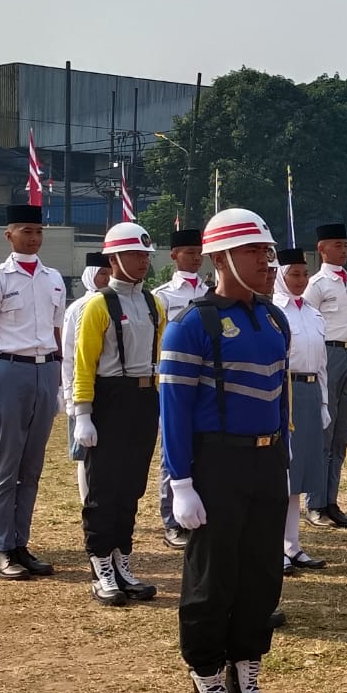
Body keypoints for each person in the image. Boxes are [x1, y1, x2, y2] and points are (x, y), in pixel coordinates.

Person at [160, 207, 295, 693]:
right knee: (211, 579)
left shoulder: (274, 318)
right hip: (215, 462)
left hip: (267, 460)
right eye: (254, 252)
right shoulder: (192, 323)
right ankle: (207, 683)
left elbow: (280, 394)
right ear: (222, 259)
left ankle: (247, 677)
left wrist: (283, 453)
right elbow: (173, 409)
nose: (267, 262)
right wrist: (181, 483)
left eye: (267, 251)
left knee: (262, 574)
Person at [71, 222, 167, 606]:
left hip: (144, 398)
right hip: (109, 397)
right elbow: (84, 364)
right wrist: (82, 414)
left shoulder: (153, 303)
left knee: (132, 486)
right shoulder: (99, 303)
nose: (142, 262)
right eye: (133, 255)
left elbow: (159, 357)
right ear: (113, 259)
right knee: (103, 488)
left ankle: (121, 557)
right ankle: (100, 563)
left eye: (145, 255)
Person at [0, 204, 66, 581]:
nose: (34, 237)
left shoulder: (54, 278)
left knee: (32, 467)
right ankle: (2, 547)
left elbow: (59, 335)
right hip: (10, 369)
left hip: (45, 371)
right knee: (7, 464)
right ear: (9, 235)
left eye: (39, 231)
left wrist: (60, 383)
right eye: (26, 230)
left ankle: (21, 543)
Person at [301, 223, 347, 532]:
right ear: (322, 249)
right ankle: (315, 503)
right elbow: (308, 324)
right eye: (337, 245)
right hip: (326, 355)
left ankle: (331, 500)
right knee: (323, 433)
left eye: (345, 244)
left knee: (341, 436)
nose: (343, 249)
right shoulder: (316, 284)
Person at [274, 247, 329, 575]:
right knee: (282, 475)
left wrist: (322, 402)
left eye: (304, 274)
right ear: (281, 275)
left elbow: (321, 363)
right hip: (286, 391)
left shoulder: (312, 313)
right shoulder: (275, 311)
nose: (301, 280)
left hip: (309, 392)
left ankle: (292, 545)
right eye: (294, 274)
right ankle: (275, 545)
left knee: (301, 475)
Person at [153, 228, 206, 549]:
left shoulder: (211, 291)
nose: (195, 258)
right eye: (188, 252)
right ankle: (171, 520)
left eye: (198, 252)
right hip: (173, 382)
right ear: (173, 256)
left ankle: (197, 513)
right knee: (171, 450)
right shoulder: (162, 296)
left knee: (203, 448)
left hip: (206, 381)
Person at [61, 252, 111, 502]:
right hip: (83, 387)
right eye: (102, 273)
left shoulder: (117, 303)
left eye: (110, 272)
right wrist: (71, 398)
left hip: (111, 387)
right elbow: (69, 355)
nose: (107, 278)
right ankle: (87, 504)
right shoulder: (77, 307)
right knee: (85, 453)